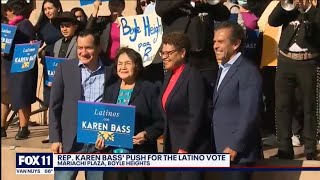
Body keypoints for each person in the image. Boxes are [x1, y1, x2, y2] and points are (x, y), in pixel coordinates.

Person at [49, 30, 115, 180]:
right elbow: (54, 106)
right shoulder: (64, 68)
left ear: (98, 48)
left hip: (99, 142)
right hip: (71, 141)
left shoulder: (111, 70)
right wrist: (55, 138)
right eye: (80, 48)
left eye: (88, 48)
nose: (83, 52)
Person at [95, 47, 163, 180]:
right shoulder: (110, 90)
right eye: (120, 64)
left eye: (127, 63)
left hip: (138, 159)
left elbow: (161, 121)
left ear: (136, 66)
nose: (123, 67)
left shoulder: (149, 89)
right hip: (113, 161)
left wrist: (147, 134)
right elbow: (103, 121)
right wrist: (99, 139)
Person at [268, 0, 320, 160]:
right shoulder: (288, 7)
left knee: (309, 106)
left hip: (309, 61)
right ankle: (284, 148)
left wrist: (309, 9)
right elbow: (272, 21)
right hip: (285, 61)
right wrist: (285, 3)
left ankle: (310, 148)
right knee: (282, 106)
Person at [212, 21, 263, 180]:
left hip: (238, 154)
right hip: (222, 150)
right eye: (214, 41)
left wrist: (236, 145)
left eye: (221, 42)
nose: (215, 46)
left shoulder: (247, 70)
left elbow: (250, 112)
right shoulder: (223, 69)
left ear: (235, 44)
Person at [159, 32, 211, 180]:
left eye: (169, 53)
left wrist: (185, 147)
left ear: (182, 53)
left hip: (190, 149)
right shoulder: (169, 75)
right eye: (162, 53)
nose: (164, 57)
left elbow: (196, 115)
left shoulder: (193, 76)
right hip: (171, 147)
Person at [1, 0, 37, 140]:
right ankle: (2, 128)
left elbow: (28, 44)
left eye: (8, 10)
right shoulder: (6, 25)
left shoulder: (24, 24)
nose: (6, 13)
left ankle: (23, 127)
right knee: (4, 98)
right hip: (6, 66)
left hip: (20, 66)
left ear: (14, 10)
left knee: (22, 97)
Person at [34, 0, 63, 108]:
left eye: (50, 8)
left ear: (58, 8)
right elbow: (38, 43)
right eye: (45, 9)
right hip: (49, 64)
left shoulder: (65, 23)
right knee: (50, 97)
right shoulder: (43, 26)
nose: (47, 12)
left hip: (64, 61)